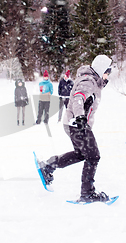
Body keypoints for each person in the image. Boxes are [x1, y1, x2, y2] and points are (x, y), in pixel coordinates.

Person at [36, 55, 113, 203]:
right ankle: (87, 193)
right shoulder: (88, 81)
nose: (107, 75)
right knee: (93, 156)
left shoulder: (91, 81)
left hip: (74, 123)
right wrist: (80, 117)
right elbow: (79, 97)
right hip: (77, 124)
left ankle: (48, 166)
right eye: (107, 72)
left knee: (81, 154)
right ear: (101, 69)